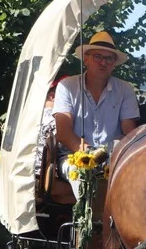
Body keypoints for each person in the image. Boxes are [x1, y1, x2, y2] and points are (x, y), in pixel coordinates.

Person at [53, 30, 139, 199]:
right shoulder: (67, 86)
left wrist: (110, 157)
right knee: (82, 174)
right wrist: (89, 156)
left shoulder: (125, 89)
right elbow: (63, 133)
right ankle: (85, 224)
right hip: (74, 158)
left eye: (109, 59)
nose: (103, 62)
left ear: (114, 63)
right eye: (97, 56)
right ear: (86, 59)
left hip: (112, 159)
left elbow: (129, 132)